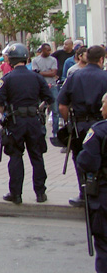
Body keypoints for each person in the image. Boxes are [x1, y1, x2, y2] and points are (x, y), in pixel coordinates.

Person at [0, 43, 54, 205]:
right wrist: (38, 110)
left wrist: (6, 114)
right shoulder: (36, 77)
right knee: (37, 157)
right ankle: (40, 192)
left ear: (12, 60)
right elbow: (49, 98)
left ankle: (16, 194)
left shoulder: (7, 79)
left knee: (15, 156)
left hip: (16, 122)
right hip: (34, 120)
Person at [58, 45, 107, 208]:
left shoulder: (75, 76)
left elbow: (62, 105)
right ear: (101, 59)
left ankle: (84, 193)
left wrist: (69, 123)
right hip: (101, 124)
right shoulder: (105, 76)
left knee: (81, 158)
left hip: (80, 125)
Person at [75, 91, 107, 272]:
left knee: (103, 245)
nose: (101, 108)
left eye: (103, 104)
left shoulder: (99, 130)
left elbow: (87, 161)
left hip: (103, 193)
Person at [32, 43, 60, 142]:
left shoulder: (53, 60)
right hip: (40, 87)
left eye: (50, 50)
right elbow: (35, 73)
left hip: (52, 86)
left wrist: (41, 72)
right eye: (47, 50)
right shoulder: (36, 60)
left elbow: (53, 73)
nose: (49, 52)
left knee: (55, 110)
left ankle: (55, 132)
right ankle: (41, 131)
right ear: (42, 50)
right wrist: (45, 73)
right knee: (40, 110)